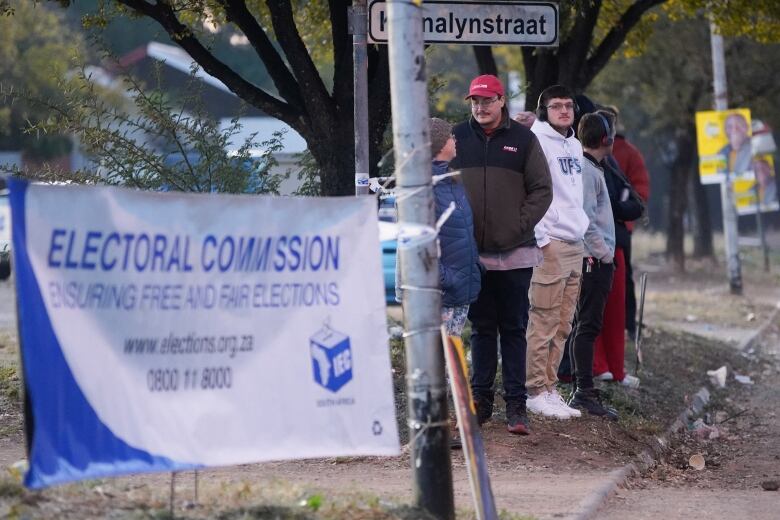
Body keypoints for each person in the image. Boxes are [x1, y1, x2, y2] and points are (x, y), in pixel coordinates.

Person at [450, 74, 553, 435]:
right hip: (471, 254)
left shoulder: (524, 140)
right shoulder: (457, 138)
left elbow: (542, 190)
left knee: (513, 328)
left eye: (487, 100)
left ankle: (516, 409)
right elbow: (438, 187)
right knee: (481, 329)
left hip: (515, 253)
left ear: (501, 101)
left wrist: (518, 226)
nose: (480, 107)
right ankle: (480, 405)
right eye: (475, 101)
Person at [524, 85, 589, 420]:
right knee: (544, 318)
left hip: (574, 240)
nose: (564, 111)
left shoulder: (574, 145)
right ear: (543, 110)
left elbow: (573, 196)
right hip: (550, 241)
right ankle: (534, 389)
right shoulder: (536, 141)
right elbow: (531, 190)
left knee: (563, 322)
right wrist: (541, 237)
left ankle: (550, 387)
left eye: (568, 105)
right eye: (556, 106)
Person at [566, 112, 619, 420]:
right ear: (605, 140)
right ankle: (582, 392)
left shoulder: (594, 169)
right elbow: (585, 219)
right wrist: (604, 253)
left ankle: (585, 389)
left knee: (588, 324)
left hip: (596, 257)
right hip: (593, 259)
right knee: (586, 325)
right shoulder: (587, 171)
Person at [592, 110, 644, 389]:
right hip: (596, 246)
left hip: (616, 242)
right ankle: (599, 366)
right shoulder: (589, 166)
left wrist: (625, 210)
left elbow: (636, 198)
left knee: (616, 309)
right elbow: (604, 206)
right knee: (595, 312)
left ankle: (615, 368)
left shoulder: (614, 160)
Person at [429, 117, 482, 336]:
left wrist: (475, 267)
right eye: (450, 136)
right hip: (443, 293)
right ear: (439, 143)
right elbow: (420, 244)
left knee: (452, 356)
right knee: (439, 360)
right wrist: (445, 279)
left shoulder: (452, 180)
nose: (455, 140)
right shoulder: (425, 186)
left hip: (460, 287)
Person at [601, 105, 650, 340]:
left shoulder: (627, 152)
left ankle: (629, 324)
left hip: (620, 228)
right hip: (594, 231)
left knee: (623, 277)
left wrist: (624, 207)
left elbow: (640, 188)